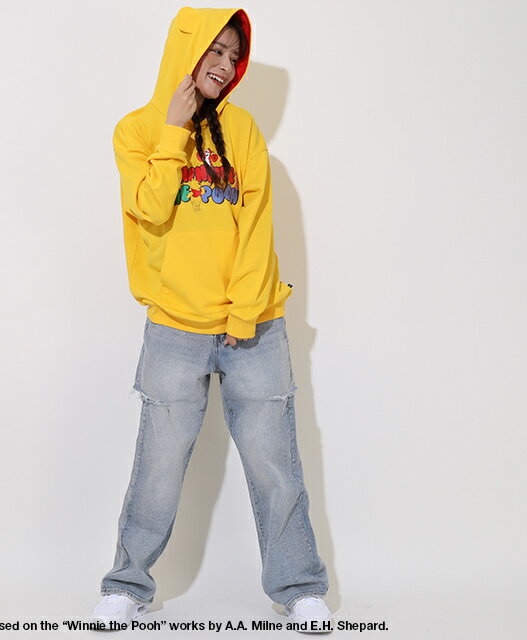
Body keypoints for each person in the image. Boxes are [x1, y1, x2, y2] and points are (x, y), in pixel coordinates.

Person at [89, 6, 330, 631]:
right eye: (214, 51)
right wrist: (174, 130)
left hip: (255, 325)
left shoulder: (242, 129)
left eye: (233, 55)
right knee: (158, 465)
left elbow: (256, 227)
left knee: (275, 464)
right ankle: (126, 585)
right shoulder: (135, 131)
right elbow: (149, 210)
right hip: (175, 326)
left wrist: (244, 315)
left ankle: (299, 587)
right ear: (187, 50)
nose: (224, 65)